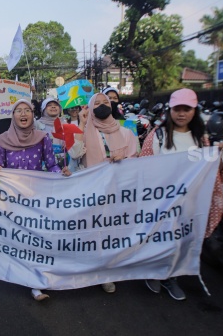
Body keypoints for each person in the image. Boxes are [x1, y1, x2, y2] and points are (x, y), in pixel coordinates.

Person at [0, 99, 71, 301]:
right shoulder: (2, 139)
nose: (23, 113)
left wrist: (62, 173)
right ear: (13, 115)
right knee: (18, 240)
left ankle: (36, 284)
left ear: (32, 114)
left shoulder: (42, 137)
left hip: (36, 197)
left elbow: (51, 164)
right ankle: (17, 274)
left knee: (35, 240)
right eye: (19, 110)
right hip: (12, 200)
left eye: (27, 110)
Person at [139, 88, 207, 301]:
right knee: (158, 237)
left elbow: (205, 169)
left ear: (194, 111)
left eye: (187, 109)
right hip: (161, 200)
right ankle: (153, 272)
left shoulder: (201, 139)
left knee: (179, 241)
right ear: (170, 110)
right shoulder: (158, 135)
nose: (181, 114)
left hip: (188, 202)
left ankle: (171, 277)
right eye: (177, 109)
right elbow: (144, 166)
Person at [68, 93, 139, 294]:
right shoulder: (83, 131)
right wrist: (81, 126)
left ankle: (105, 272)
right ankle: (88, 269)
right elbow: (74, 156)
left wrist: (122, 159)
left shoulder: (126, 133)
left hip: (116, 191)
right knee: (90, 231)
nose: (101, 106)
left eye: (105, 103)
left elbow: (136, 162)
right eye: (96, 103)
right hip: (90, 190)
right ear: (89, 108)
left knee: (110, 231)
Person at [35, 97, 68, 168]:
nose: (53, 106)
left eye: (56, 105)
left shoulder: (65, 124)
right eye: (49, 105)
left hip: (61, 163)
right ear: (43, 109)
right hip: (42, 162)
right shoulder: (37, 124)